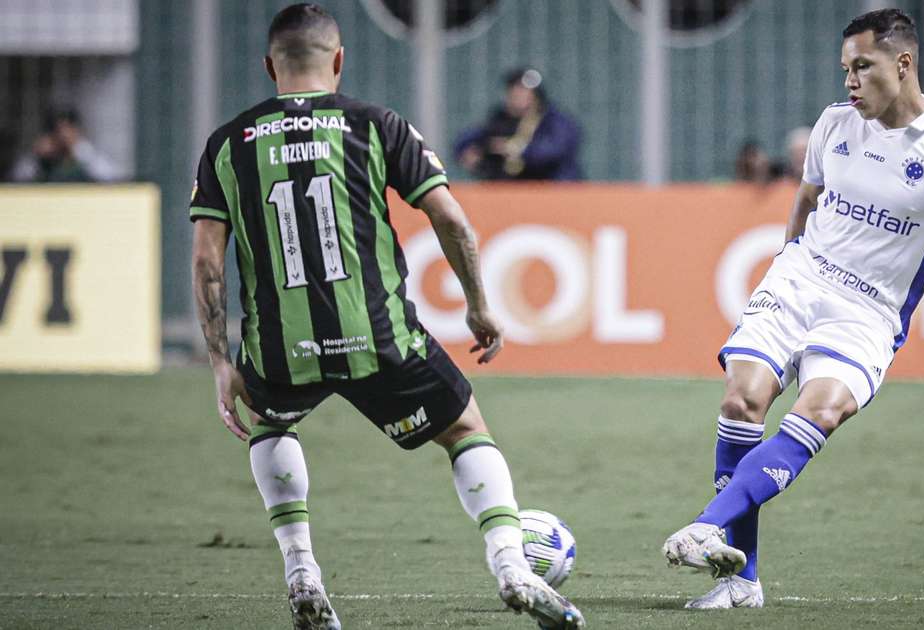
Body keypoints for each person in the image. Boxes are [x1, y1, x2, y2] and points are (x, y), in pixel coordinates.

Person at [188, 5, 584, 629]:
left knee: (268, 424)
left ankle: (301, 572)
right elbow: (451, 219)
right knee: (464, 430)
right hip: (377, 336)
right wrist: (479, 305)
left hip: (280, 345)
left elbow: (208, 261)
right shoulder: (374, 125)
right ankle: (511, 565)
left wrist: (218, 361)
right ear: (339, 60)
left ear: (271, 66)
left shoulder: (227, 144)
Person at [661, 8, 924, 610]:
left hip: (869, 312)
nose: (849, 82)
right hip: (800, 279)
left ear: (902, 64)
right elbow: (806, 200)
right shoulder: (835, 124)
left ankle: (707, 527)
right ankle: (739, 581)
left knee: (819, 412)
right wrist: (785, 270)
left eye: (862, 67)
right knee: (740, 399)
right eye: (844, 69)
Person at [452, 68, 582, 181]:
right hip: (511, 191)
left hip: (551, 189)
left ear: (536, 96)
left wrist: (515, 149)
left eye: (523, 91)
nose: (517, 95)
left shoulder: (553, 120)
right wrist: (470, 151)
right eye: (514, 91)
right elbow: (471, 138)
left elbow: (554, 150)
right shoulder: (501, 119)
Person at [8, 108, 126, 183]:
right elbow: (16, 178)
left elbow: (113, 177)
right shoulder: (43, 161)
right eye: (58, 132)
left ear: (77, 131)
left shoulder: (86, 156)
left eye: (68, 131)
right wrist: (36, 157)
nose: (63, 137)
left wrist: (79, 149)